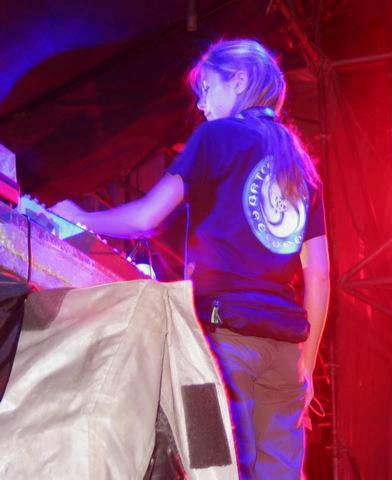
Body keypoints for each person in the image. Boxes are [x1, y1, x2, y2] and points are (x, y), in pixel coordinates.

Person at [52, 38, 330, 480]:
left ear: (238, 81)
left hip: (219, 344)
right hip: (286, 352)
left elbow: (146, 218)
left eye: (207, 89)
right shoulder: (299, 163)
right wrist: (307, 364)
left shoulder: (216, 137)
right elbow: (320, 274)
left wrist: (81, 218)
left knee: (212, 468)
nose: (201, 104)